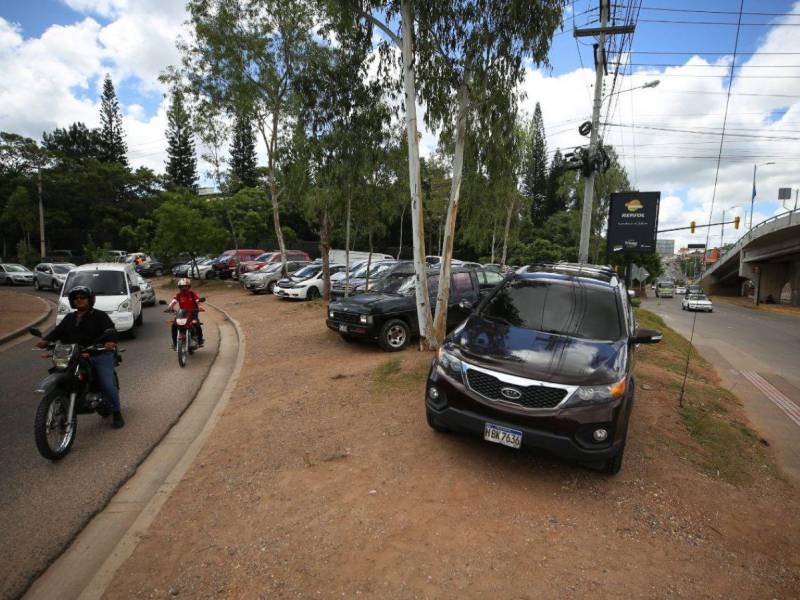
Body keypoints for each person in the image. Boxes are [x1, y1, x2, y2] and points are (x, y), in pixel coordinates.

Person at [38, 286, 124, 429]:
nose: (78, 300)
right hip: (73, 355)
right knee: (60, 373)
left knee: (107, 384)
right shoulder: (69, 317)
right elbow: (57, 332)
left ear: (90, 300)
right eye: (75, 298)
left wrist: (110, 342)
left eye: (82, 298)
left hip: (98, 354)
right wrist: (46, 340)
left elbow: (110, 330)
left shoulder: (99, 316)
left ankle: (117, 412)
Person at [167, 278, 204, 349]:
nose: (184, 288)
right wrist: (170, 307)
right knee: (174, 325)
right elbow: (174, 301)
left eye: (185, 286)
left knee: (196, 324)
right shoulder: (179, 295)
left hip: (193, 313)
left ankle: (200, 341)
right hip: (182, 313)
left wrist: (200, 306)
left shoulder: (192, 294)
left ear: (188, 286)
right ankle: (175, 344)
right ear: (179, 287)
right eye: (182, 286)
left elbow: (197, 300)